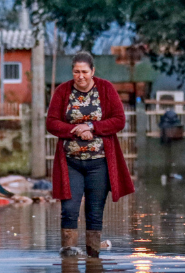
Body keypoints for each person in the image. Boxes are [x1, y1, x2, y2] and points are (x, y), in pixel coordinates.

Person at [47, 51, 135, 258]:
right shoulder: (62, 91)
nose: (80, 76)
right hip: (71, 162)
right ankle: (68, 253)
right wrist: (75, 129)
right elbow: (51, 122)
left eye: (84, 71)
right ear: (72, 72)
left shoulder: (106, 89)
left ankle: (93, 256)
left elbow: (119, 120)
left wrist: (91, 127)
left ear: (93, 71)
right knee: (69, 208)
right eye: (76, 71)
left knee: (95, 212)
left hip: (99, 163)